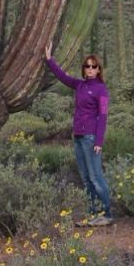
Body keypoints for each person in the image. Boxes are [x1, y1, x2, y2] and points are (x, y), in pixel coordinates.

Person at [43, 43, 113, 226]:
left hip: (91, 138)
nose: (89, 69)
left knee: (96, 178)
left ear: (98, 70)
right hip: (79, 137)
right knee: (86, 179)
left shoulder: (101, 90)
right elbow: (62, 76)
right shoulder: (80, 85)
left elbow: (103, 116)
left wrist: (99, 140)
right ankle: (93, 214)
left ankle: (107, 214)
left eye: (93, 66)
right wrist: (49, 59)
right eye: (87, 66)